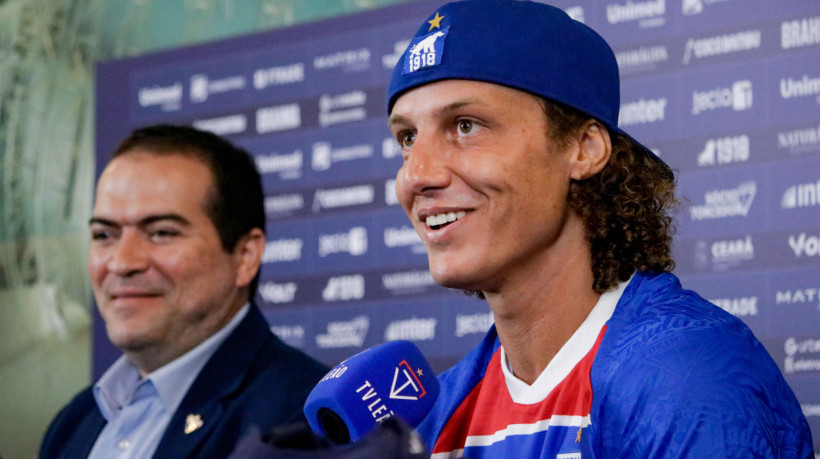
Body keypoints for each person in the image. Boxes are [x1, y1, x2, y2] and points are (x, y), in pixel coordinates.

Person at [386, 1, 814, 457]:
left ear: (584, 148)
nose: (415, 175)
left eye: (465, 126)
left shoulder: (680, 376)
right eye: (408, 138)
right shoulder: (438, 414)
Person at [39, 124, 329, 458]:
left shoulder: (304, 419)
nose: (121, 262)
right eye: (104, 235)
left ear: (245, 256)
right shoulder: (73, 423)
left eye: (162, 232)